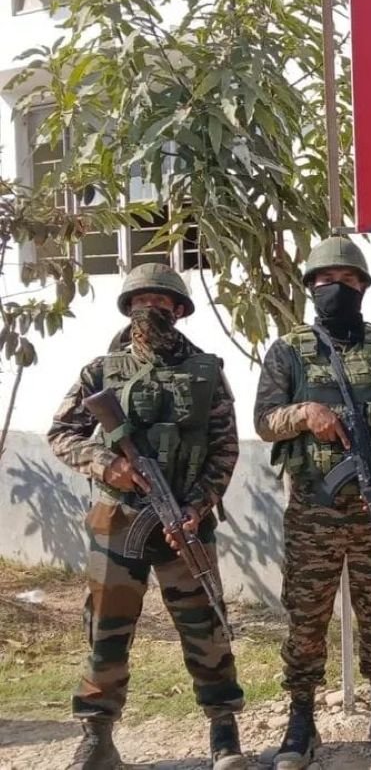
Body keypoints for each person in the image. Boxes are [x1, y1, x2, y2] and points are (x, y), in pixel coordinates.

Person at [48, 263, 247, 770]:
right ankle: (97, 735)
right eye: (140, 301)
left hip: (186, 522)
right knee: (106, 629)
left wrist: (197, 506)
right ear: (127, 309)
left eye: (160, 301)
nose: (150, 309)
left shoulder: (206, 371)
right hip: (118, 521)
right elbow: (62, 434)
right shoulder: (99, 372)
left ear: (178, 310)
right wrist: (107, 464)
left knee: (205, 627)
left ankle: (223, 729)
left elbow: (225, 449)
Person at [253, 236, 371, 768]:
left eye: (348, 280)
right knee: (306, 616)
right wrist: (305, 413)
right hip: (314, 509)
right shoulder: (288, 350)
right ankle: (301, 720)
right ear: (312, 287)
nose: (338, 288)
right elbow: (264, 420)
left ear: (363, 287)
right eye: (327, 280)